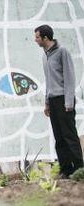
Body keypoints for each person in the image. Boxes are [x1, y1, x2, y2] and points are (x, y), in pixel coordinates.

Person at [35, 25, 83, 177]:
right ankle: (66, 169)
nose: (35, 40)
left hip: (64, 99)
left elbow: (70, 78)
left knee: (69, 135)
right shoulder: (45, 56)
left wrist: (69, 102)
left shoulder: (63, 52)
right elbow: (48, 82)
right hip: (53, 101)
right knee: (59, 137)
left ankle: (79, 169)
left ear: (45, 38)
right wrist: (47, 103)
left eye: (37, 37)